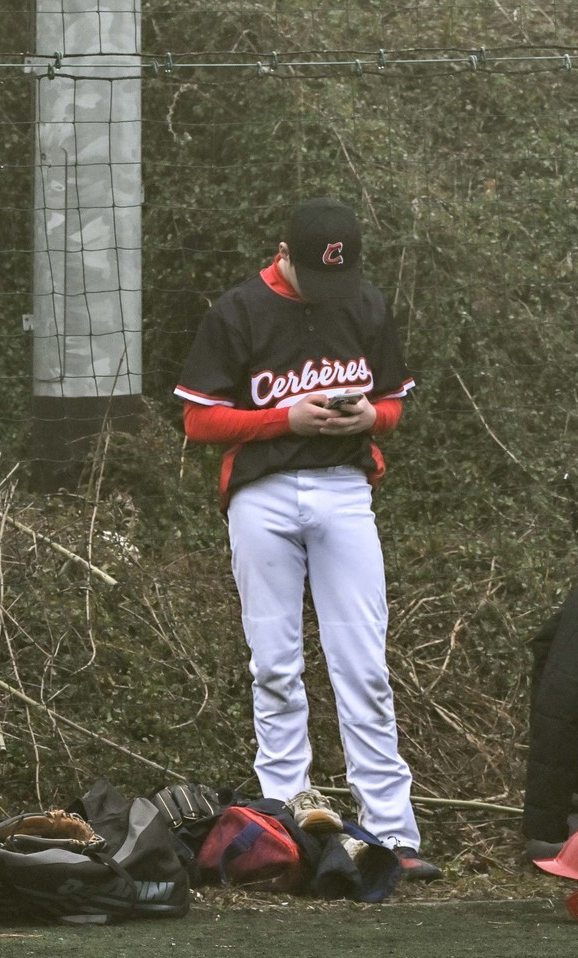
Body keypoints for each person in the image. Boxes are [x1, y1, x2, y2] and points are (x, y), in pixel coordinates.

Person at [172, 196, 440, 882]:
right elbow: (199, 423)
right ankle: (285, 826)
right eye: (312, 274)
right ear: (281, 253)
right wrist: (284, 418)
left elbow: (394, 408)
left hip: (345, 490)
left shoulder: (364, 304)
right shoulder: (237, 311)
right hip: (261, 493)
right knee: (274, 662)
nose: (327, 290)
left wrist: (360, 418)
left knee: (364, 667)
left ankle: (392, 832)